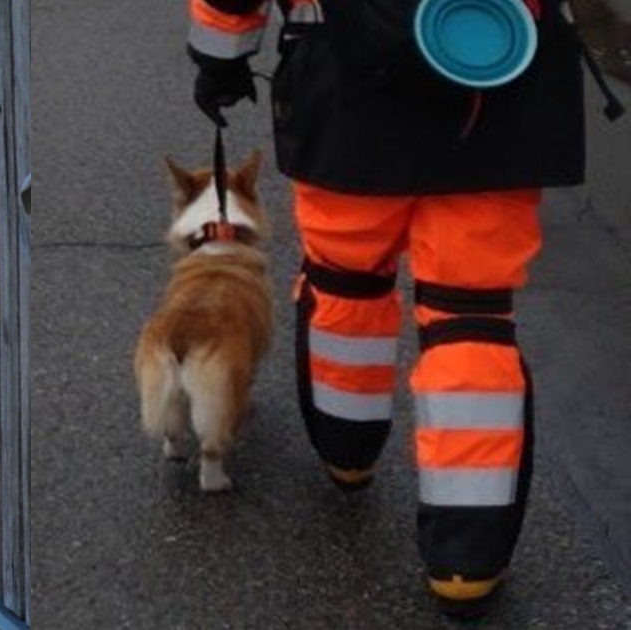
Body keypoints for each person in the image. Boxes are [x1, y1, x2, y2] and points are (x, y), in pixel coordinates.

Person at [186, 0, 589, 617]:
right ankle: (467, 562)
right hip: (496, 93)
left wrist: (220, 60)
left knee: (345, 284)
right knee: (470, 318)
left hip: (349, 97)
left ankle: (346, 452)